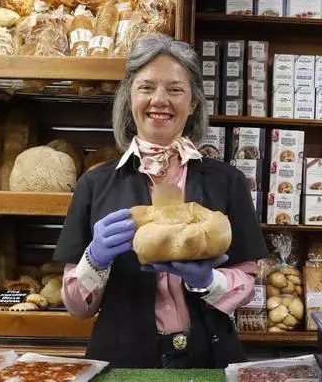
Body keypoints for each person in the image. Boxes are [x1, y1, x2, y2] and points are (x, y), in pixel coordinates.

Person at [54, 33, 268, 369]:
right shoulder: (94, 184)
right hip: (121, 363)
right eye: (147, 87)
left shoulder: (228, 182)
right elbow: (78, 309)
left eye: (175, 89)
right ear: (129, 97)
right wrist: (94, 261)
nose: (160, 100)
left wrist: (208, 281)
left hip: (210, 361)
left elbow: (247, 284)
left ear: (193, 103)